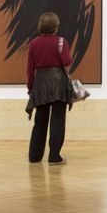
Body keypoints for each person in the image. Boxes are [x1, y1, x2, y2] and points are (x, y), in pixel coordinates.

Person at [26, 12, 78, 165]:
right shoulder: (61, 42)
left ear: (40, 26)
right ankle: (54, 157)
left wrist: (31, 88)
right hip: (58, 84)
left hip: (41, 84)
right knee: (57, 120)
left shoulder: (34, 44)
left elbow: (30, 69)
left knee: (40, 121)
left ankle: (34, 156)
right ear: (56, 26)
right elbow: (67, 61)